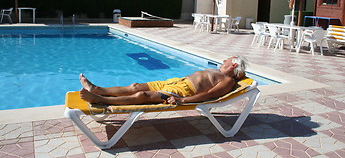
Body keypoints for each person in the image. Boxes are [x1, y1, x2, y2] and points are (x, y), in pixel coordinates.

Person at [79, 55, 248, 105]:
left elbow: (209, 95)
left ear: (233, 65)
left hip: (183, 91)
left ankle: (99, 99)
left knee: (142, 96)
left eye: (228, 59)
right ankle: (97, 89)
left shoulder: (227, 80)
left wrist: (183, 100)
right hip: (176, 81)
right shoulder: (218, 71)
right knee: (135, 86)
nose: (224, 60)